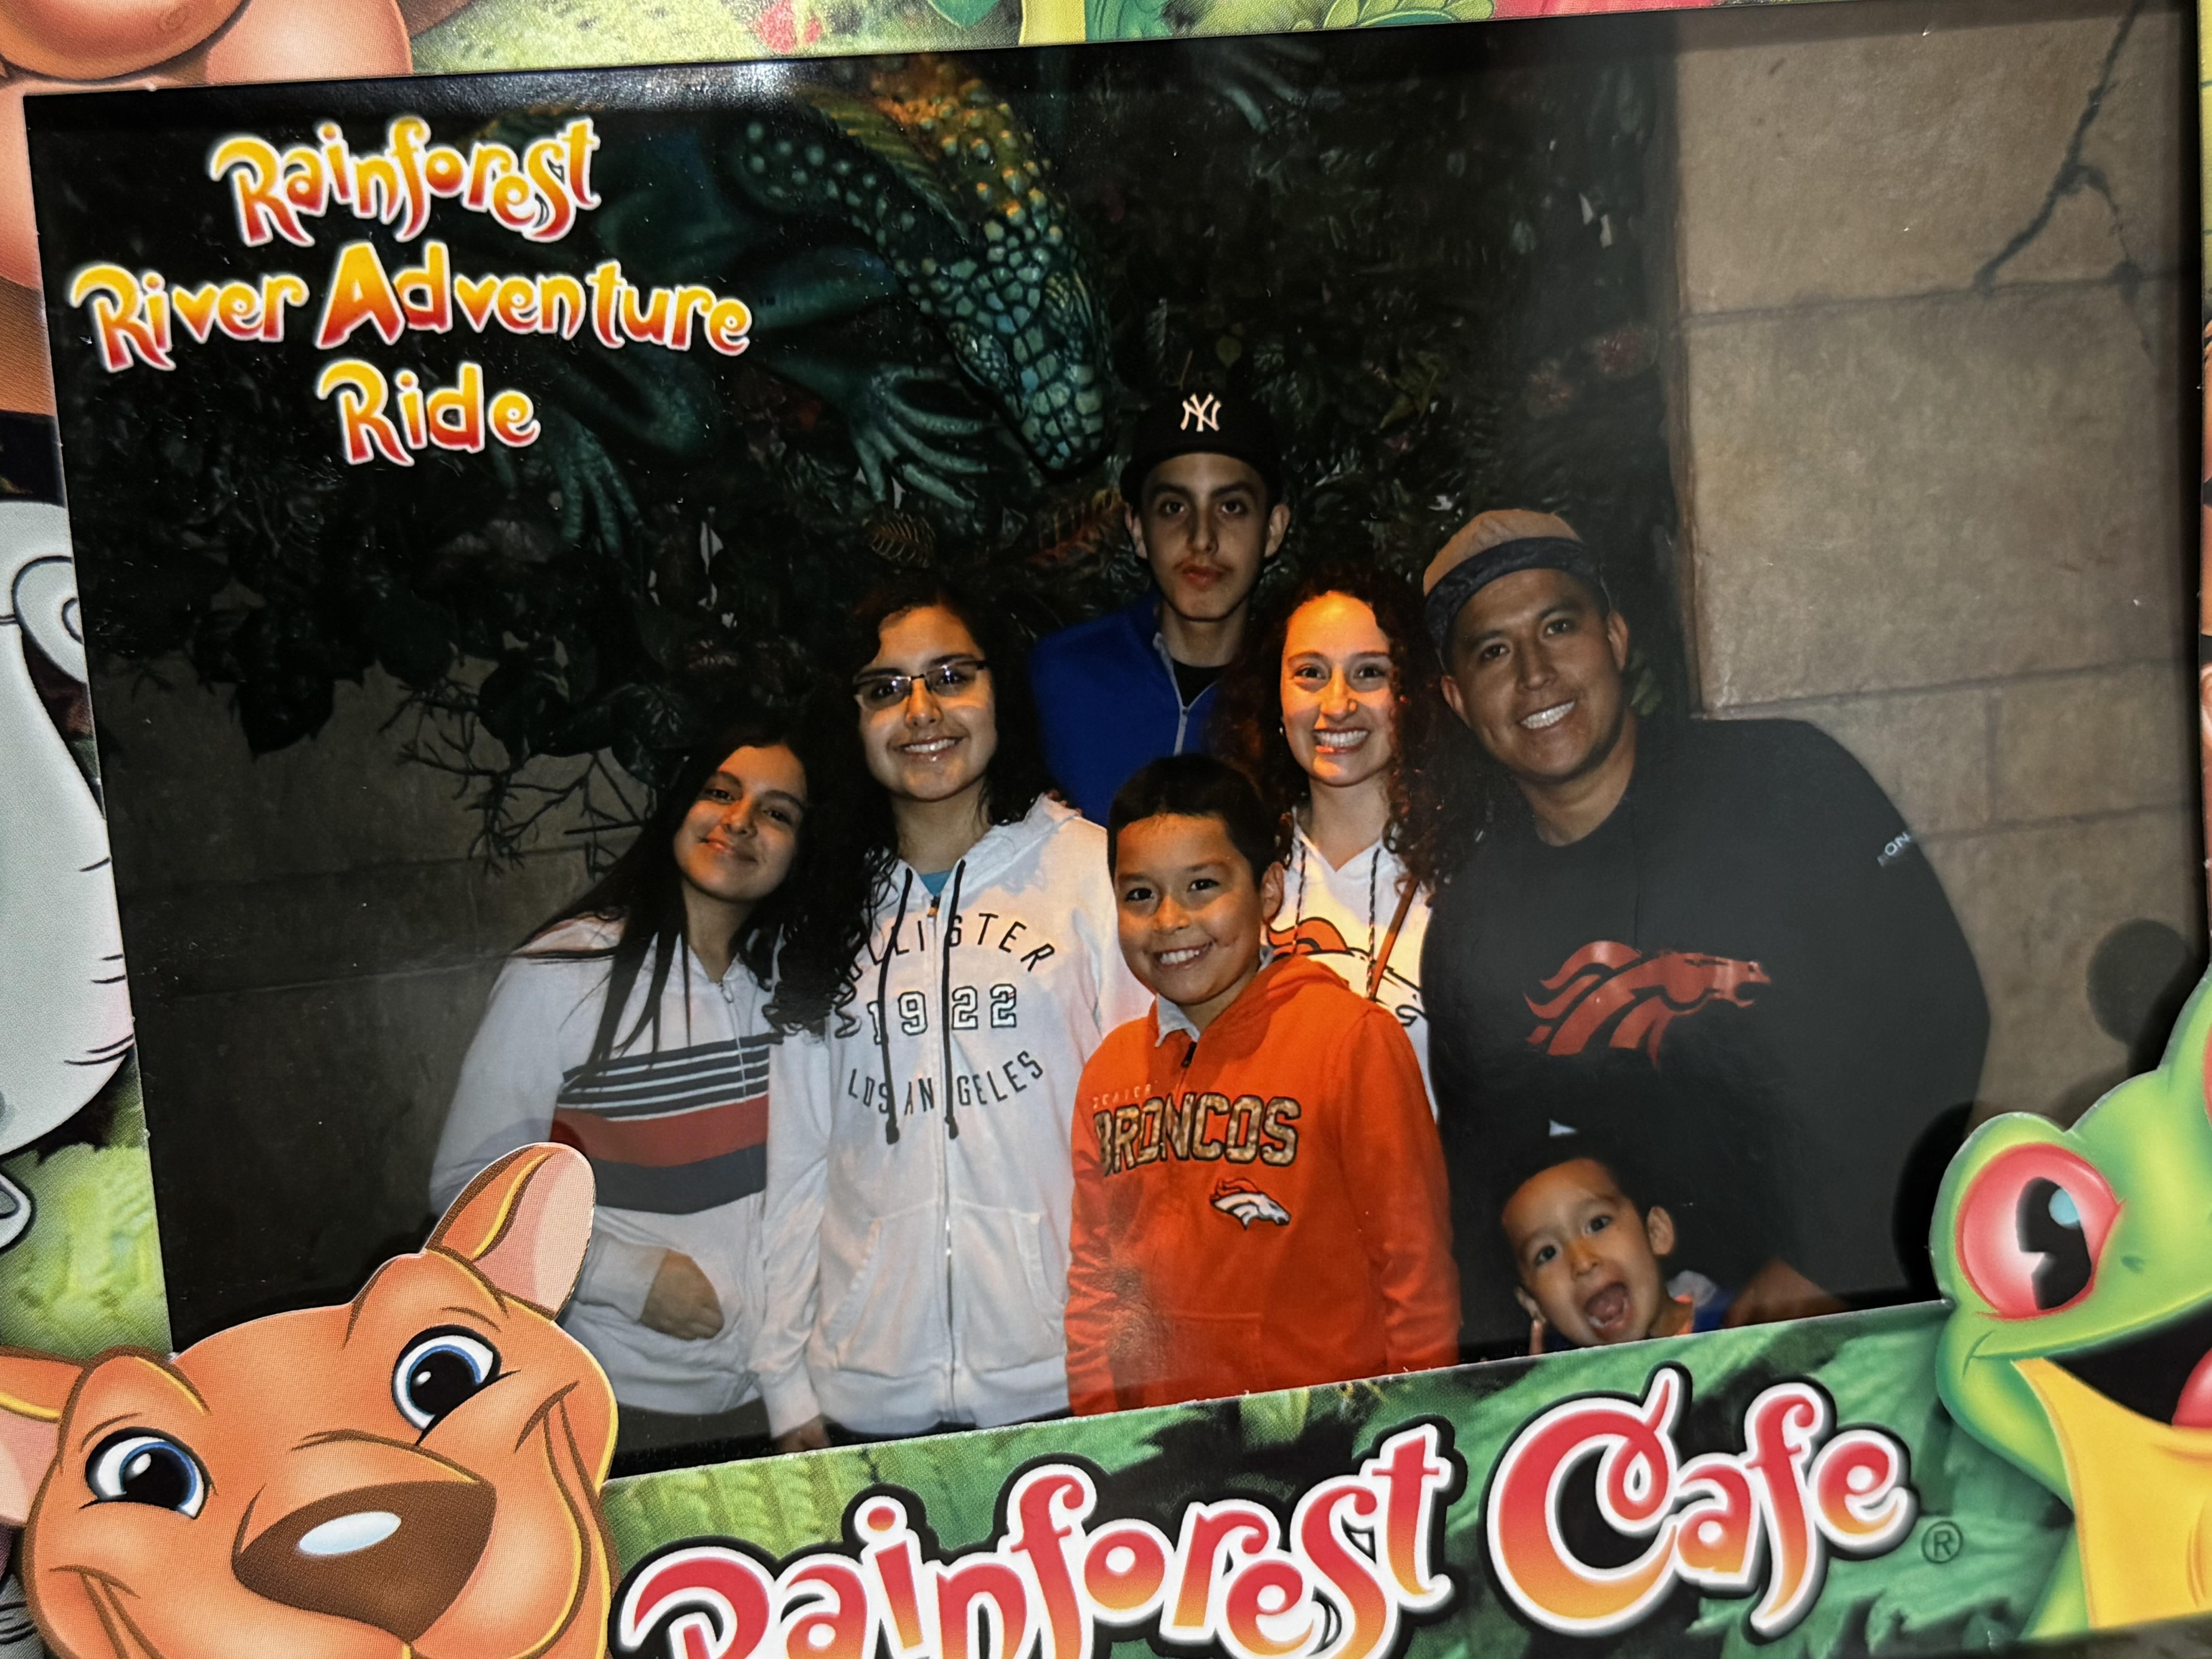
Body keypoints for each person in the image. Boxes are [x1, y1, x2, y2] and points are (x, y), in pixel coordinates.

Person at [1419, 509, 1989, 1348]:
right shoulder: (1476, 929)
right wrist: (1515, 1390)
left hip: (1894, 1302)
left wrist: (1828, 1260)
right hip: (1670, 1369)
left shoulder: (1790, 782)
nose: (1536, 674)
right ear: (1458, 699)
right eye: (1494, 651)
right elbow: (1484, 1192)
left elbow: (1941, 1011)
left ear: (1614, 636)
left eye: (1560, 625)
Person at [756, 577, 1148, 1449]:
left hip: (1068, 1378)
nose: (923, 711)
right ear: (852, 720)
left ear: (998, 690)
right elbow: (799, 1168)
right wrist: (786, 1392)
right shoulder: (821, 907)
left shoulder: (1091, 873)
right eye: (886, 689)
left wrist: (1141, 1354)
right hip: (863, 1394)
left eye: (952, 676)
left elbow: (1142, 1140)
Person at [430, 719, 819, 1455]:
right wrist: (625, 1276)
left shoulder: (791, 994)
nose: (740, 821)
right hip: (617, 1404)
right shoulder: (562, 975)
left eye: (777, 812)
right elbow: (466, 1187)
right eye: (720, 791)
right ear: (680, 806)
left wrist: (794, 1390)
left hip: (777, 1404)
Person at [1063, 754, 1458, 1415]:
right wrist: (1098, 1439)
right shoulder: (1110, 1071)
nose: (1169, 921)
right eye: (1140, 894)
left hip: (1330, 1454)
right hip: (1160, 1459)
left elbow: (1414, 1273)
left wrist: (1411, 1433)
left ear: (1267, 892)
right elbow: (1095, 1289)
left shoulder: (1351, 1040)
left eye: (1202, 885)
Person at [1211, 562, 1460, 1101]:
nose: (1337, 704)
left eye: (1370, 673)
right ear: (1274, 695)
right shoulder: (1229, 867)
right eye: (1310, 674)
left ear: (1410, 693)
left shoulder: (1466, 871)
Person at [1030, 393, 1292, 823]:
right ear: (1137, 528)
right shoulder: (1057, 677)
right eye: (1174, 508)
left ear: (1273, 529)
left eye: (1231, 507)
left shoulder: (1297, 697)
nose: (1202, 538)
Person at [1499, 1152, 1731, 1355]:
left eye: (1598, 1224)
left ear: (1655, 1233)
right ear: (1533, 1305)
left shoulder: (1740, 1326)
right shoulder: (1562, 1390)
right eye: (1548, 1253)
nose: (1582, 1262)